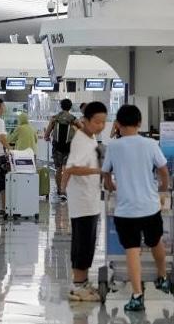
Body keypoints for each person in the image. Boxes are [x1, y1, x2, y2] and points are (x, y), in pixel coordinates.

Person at [101, 104, 171, 312]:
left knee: (132, 250)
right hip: (150, 207)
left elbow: (106, 175)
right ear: (139, 123)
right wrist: (162, 191)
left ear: (118, 124)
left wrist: (111, 186)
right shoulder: (151, 144)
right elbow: (164, 171)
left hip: (125, 210)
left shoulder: (113, 146)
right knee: (155, 241)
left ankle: (137, 295)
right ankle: (162, 276)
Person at [60, 102, 107, 302]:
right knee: (82, 243)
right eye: (97, 122)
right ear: (85, 120)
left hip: (90, 199)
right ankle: (78, 285)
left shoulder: (91, 138)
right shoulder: (80, 140)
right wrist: (99, 171)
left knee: (88, 243)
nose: (101, 126)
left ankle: (83, 282)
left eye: (103, 122)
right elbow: (71, 168)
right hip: (82, 201)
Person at [45, 98, 79, 202]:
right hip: (69, 147)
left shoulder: (55, 118)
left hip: (57, 147)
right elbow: (82, 129)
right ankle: (65, 190)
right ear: (70, 107)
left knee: (58, 169)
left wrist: (47, 136)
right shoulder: (73, 119)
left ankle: (59, 190)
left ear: (61, 106)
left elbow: (47, 133)